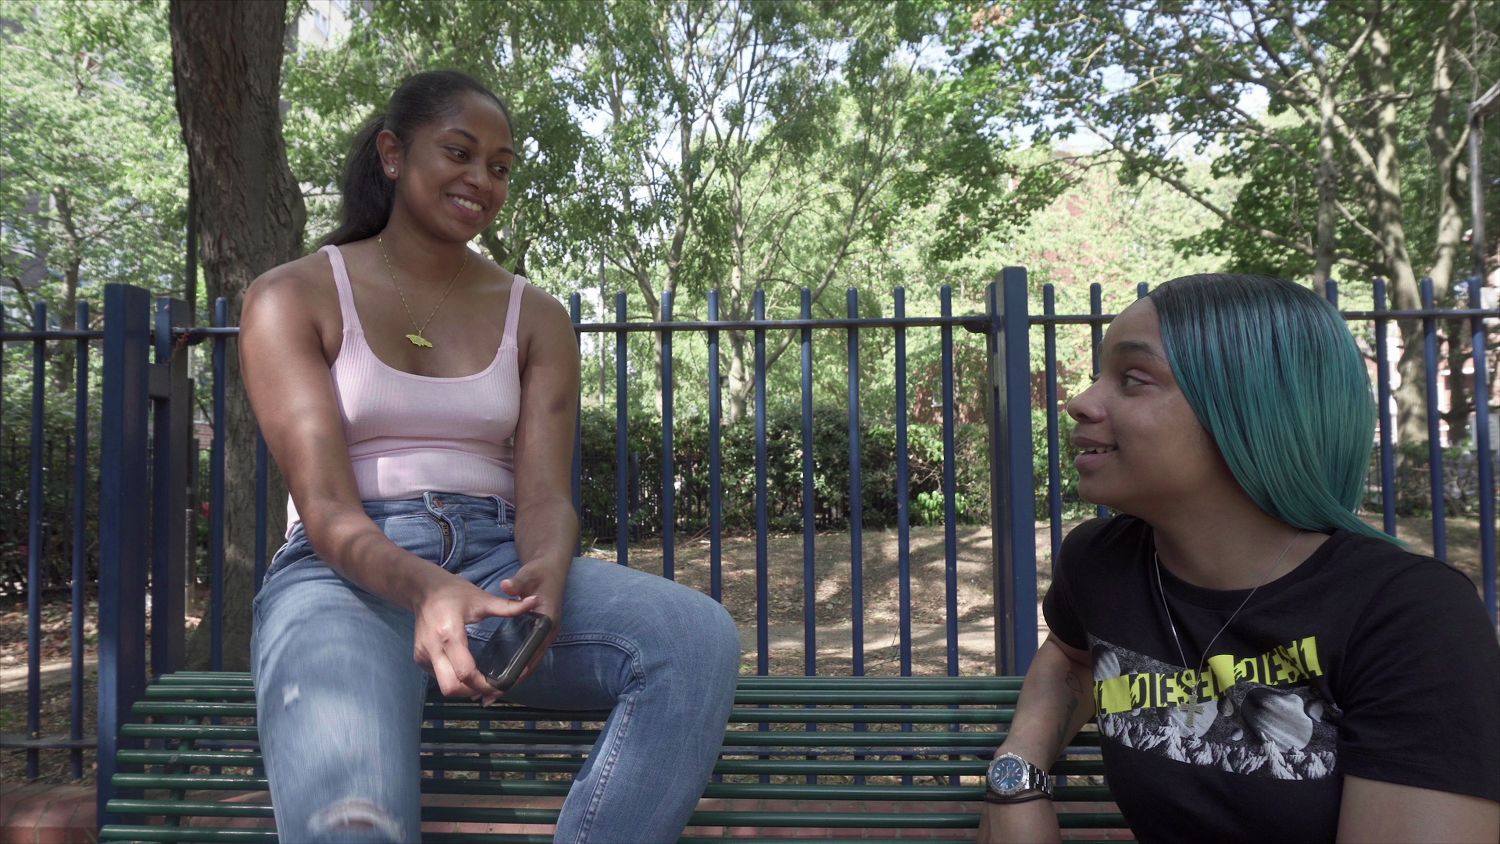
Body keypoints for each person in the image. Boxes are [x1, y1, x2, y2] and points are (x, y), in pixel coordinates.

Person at [239, 70, 741, 843]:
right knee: (353, 824)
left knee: (694, 639)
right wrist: (427, 589)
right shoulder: (291, 296)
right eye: (460, 153)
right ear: (393, 154)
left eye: (500, 166)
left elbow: (544, 497)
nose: (482, 178)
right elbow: (328, 509)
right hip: (344, 579)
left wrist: (546, 567)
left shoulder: (535, 315)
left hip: (495, 563)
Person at [978, 274, 1500, 842]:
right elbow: (1070, 657)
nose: (1079, 402)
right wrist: (1017, 779)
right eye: (1098, 375)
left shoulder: (1412, 617)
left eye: (1132, 378)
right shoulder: (1102, 563)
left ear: (1253, 410)